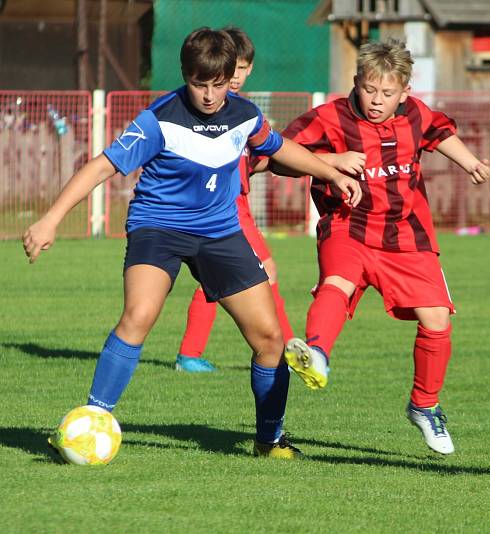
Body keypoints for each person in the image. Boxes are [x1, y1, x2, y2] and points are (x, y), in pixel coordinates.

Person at [22, 27, 362, 459]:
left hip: (220, 231)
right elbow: (101, 166)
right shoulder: (159, 118)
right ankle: (92, 419)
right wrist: (51, 219)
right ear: (186, 75)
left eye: (217, 84)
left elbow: (278, 149)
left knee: (270, 337)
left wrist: (331, 173)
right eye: (199, 83)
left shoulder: (245, 114)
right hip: (158, 227)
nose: (208, 94)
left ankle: (270, 440)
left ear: (229, 78)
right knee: (138, 315)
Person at [274, 39, 490, 455]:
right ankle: (317, 354)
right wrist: (333, 162)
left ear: (405, 92)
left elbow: (440, 132)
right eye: (369, 90)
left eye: (387, 93)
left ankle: (424, 406)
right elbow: (278, 154)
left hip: (408, 235)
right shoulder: (330, 117)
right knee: (336, 283)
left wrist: (471, 163)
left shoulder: (415, 115)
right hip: (348, 226)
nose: (376, 101)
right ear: (356, 82)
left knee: (437, 320)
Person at [174, 27, 294, 373]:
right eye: (232, 69)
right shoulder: (210, 108)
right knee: (265, 270)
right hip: (224, 207)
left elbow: (257, 154)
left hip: (236, 203)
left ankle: (190, 353)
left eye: (242, 69)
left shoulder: (243, 111)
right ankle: (287, 349)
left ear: (250, 69)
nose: (236, 76)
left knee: (216, 278)